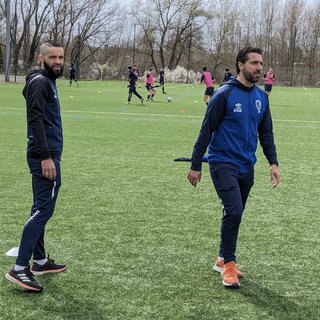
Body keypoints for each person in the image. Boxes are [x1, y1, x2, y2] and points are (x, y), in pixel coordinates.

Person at [187, 47, 280, 288]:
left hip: (246, 167)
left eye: (261, 63)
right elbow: (205, 131)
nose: (259, 67)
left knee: (234, 215)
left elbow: (266, 133)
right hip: (222, 163)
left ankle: (221, 258)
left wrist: (273, 163)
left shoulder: (261, 97)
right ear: (240, 65)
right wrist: (196, 165)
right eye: (253, 63)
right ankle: (228, 265)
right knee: (234, 211)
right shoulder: (223, 95)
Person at [5, 41, 67, 292]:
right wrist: (45, 156)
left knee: (40, 207)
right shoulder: (41, 82)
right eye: (52, 57)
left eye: (61, 57)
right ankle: (20, 268)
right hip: (45, 155)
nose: (58, 62)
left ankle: (39, 261)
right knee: (43, 210)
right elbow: (35, 119)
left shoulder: (44, 79)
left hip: (47, 153)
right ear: (42, 58)